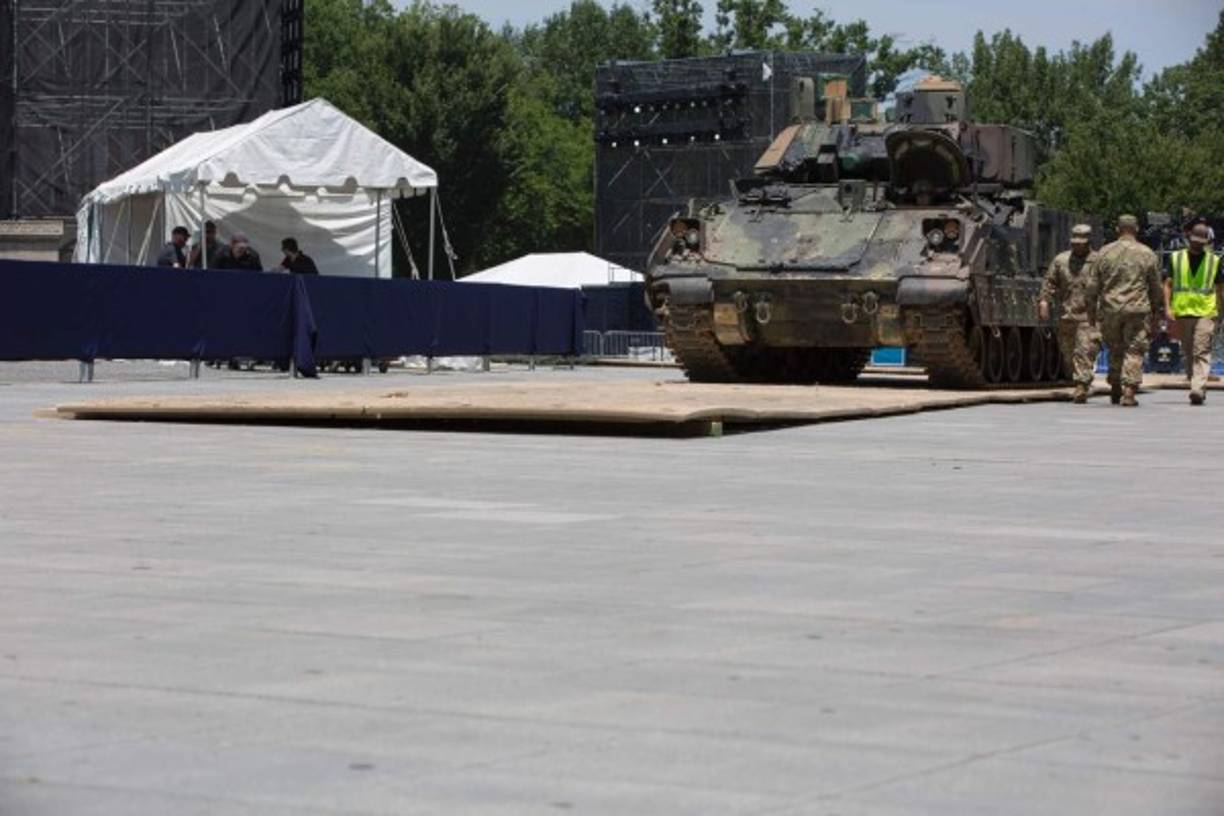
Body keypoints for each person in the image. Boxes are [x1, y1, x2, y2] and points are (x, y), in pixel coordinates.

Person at [1086, 214, 1164, 407]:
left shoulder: (1104, 253)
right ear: (1136, 229)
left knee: (1115, 349)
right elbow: (1156, 287)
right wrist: (1156, 311)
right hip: (1137, 309)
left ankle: (1115, 387)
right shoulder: (1147, 254)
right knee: (1134, 350)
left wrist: (1091, 312)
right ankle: (1129, 391)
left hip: (1110, 309)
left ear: (1117, 230)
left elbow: (1092, 286)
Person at [1039, 223, 1100, 403]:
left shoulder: (1099, 262)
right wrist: (1044, 301)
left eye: (1082, 243)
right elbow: (1049, 282)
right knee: (1068, 352)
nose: (1078, 246)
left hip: (1090, 317)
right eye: (1075, 243)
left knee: (1085, 350)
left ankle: (1081, 385)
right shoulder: (1061, 261)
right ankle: (1079, 378)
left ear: (1089, 242)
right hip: (1066, 315)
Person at [1164, 223, 1222, 405]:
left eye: (1201, 242)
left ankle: (1197, 388)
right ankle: (1195, 382)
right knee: (1189, 352)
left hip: (1206, 312)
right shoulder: (1176, 258)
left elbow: (1220, 289)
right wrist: (1168, 308)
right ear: (1188, 238)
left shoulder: (1214, 261)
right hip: (1183, 312)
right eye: (1195, 241)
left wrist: (1220, 312)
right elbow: (1168, 284)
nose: (1198, 245)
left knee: (1201, 350)